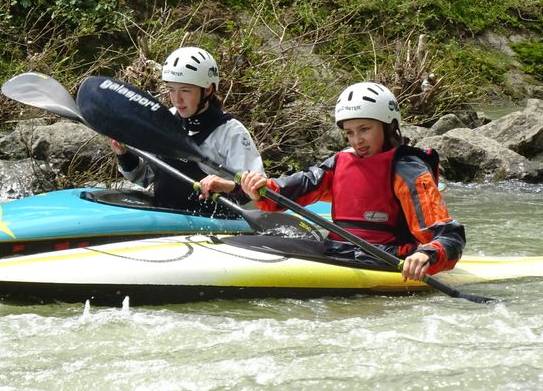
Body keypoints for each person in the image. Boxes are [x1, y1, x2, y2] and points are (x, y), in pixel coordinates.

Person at [239, 82, 465, 282]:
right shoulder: (341, 161)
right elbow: (299, 187)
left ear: (388, 127)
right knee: (248, 245)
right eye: (350, 133)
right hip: (337, 251)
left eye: (365, 129)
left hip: (385, 259)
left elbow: (448, 235)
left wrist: (426, 254)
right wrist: (261, 189)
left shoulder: (407, 169)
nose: (357, 141)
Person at [110, 46, 264, 211]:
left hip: (214, 226)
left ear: (208, 90)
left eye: (185, 90)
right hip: (166, 217)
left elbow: (257, 196)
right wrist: (124, 155)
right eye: (171, 90)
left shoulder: (231, 132)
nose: (177, 99)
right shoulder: (166, 119)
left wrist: (226, 185)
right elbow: (145, 177)